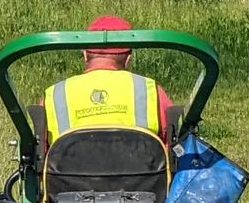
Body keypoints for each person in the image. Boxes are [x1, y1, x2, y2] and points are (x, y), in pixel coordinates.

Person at [42, 14, 175, 147]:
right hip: (138, 167)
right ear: (128, 58)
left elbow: (40, 149)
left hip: (71, 167)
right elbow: (172, 142)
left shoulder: (54, 95)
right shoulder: (150, 91)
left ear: (85, 54)